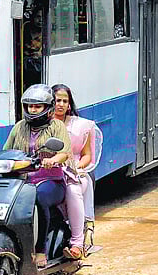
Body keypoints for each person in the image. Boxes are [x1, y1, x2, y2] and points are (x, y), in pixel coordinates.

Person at [3, 84, 71, 267]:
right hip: (22, 181)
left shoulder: (57, 126)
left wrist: (53, 159)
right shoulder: (19, 127)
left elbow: (64, 152)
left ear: (47, 108)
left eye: (37, 106)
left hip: (50, 181)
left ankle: (40, 249)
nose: (33, 110)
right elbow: (6, 151)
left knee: (38, 198)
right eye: (30, 106)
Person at [52, 84, 102, 260]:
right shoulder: (41, 125)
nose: (61, 104)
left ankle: (77, 243)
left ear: (69, 104)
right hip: (48, 171)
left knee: (73, 190)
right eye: (58, 100)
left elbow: (87, 155)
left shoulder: (82, 126)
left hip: (75, 173)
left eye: (65, 101)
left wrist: (77, 168)